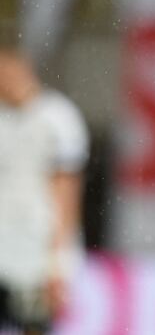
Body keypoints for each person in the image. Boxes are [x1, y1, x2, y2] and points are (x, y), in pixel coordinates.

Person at [0, 45, 90, 334]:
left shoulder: (58, 118)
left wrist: (59, 264)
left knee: (33, 326)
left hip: (34, 255)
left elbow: (66, 196)